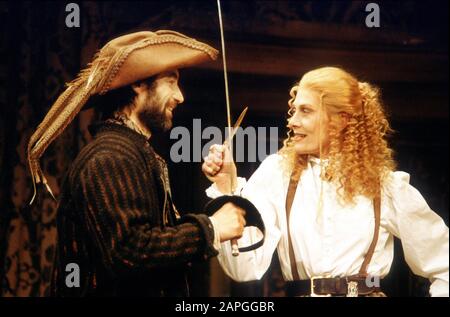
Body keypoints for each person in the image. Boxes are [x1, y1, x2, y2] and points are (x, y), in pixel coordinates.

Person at [27, 30, 247, 296]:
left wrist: (219, 200)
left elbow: (149, 245)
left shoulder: (132, 152)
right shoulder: (111, 156)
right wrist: (211, 228)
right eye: (171, 81)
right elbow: (130, 251)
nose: (180, 96)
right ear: (138, 84)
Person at [202, 66, 449, 297]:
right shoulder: (276, 174)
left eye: (305, 111)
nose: (292, 121)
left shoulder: (384, 185)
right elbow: (243, 269)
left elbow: (443, 261)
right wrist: (227, 189)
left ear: (340, 120)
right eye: (294, 110)